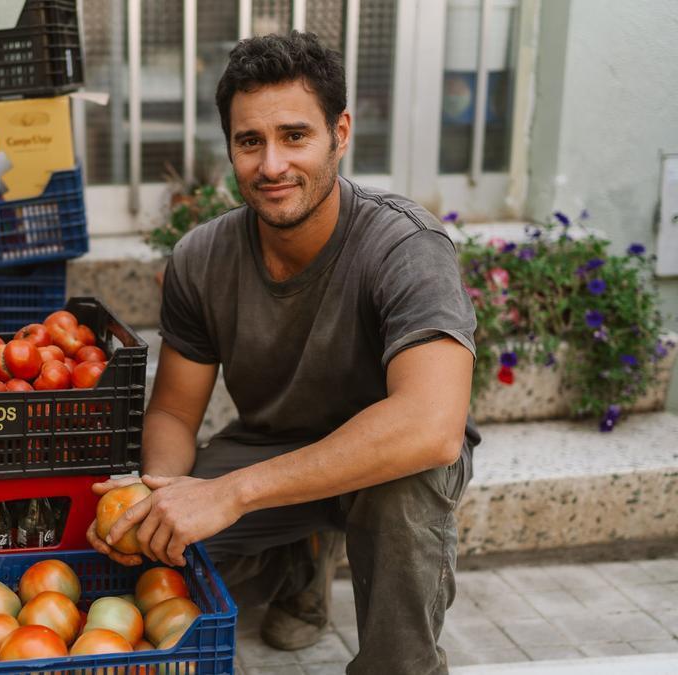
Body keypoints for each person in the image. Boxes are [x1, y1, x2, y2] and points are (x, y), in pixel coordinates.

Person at [86, 31, 480, 674]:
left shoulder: (405, 244)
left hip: (391, 461)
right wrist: (157, 497)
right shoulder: (200, 258)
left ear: (340, 132)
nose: (271, 165)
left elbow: (432, 429)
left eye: (295, 136)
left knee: (400, 495)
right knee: (155, 547)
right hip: (273, 449)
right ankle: (301, 562)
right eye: (250, 142)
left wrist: (233, 494)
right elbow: (174, 416)